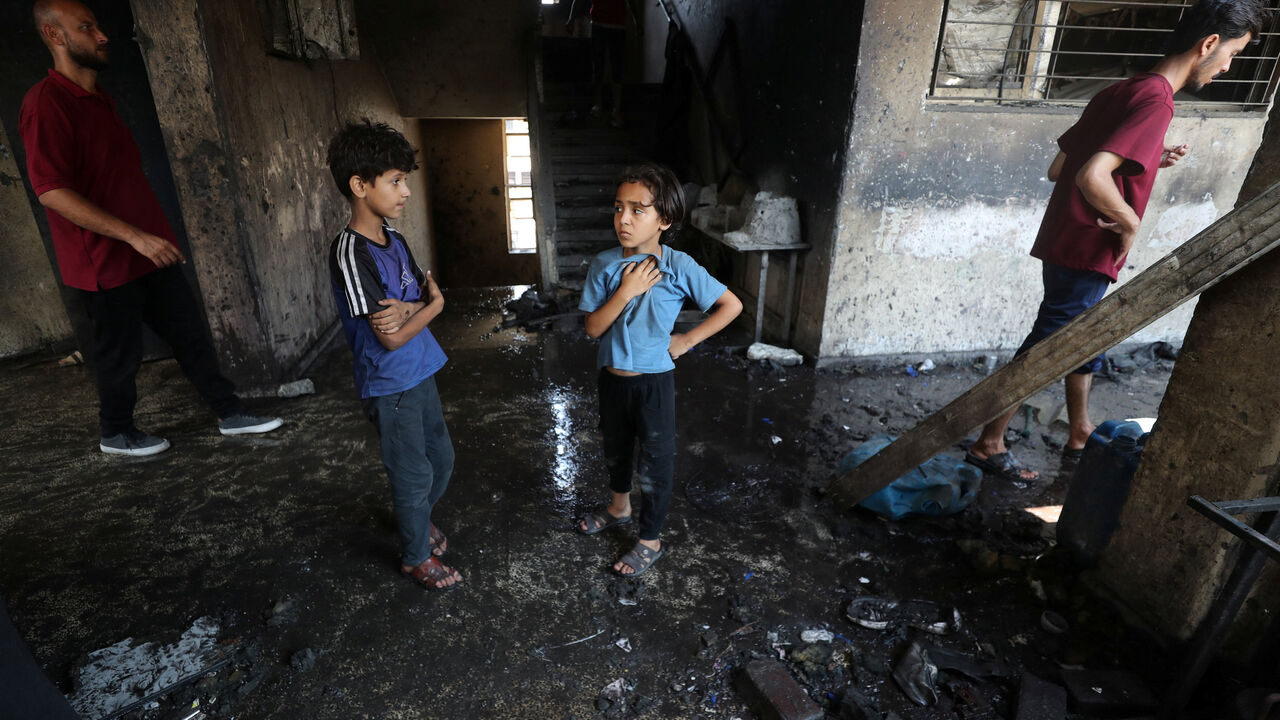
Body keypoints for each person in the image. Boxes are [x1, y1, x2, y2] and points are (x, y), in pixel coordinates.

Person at [964, 0, 1264, 483]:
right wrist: (1128, 222)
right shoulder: (1156, 100)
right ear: (1208, 44)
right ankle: (988, 443)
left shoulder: (1122, 90)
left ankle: (1080, 428)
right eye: (1232, 54)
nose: (1229, 67)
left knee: (1078, 334)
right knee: (1047, 345)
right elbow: (1088, 175)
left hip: (1067, 240)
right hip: (1089, 248)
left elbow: (1059, 166)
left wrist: (1144, 155)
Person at [19, 0, 282, 457]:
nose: (102, 35)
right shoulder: (46, 102)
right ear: (54, 36)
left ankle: (230, 412)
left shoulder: (100, 99)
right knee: (117, 358)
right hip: (103, 261)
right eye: (87, 27)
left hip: (148, 250)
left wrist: (147, 238)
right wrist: (134, 236)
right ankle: (116, 434)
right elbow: (51, 192)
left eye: (98, 25)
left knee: (190, 334)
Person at [576, 163, 742, 576]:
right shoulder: (604, 265)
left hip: (653, 383)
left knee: (655, 460)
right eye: (618, 208)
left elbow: (731, 305)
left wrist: (685, 341)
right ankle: (618, 508)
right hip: (611, 379)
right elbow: (594, 328)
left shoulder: (679, 266)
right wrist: (627, 290)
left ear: (664, 220)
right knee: (615, 449)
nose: (623, 219)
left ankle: (650, 539)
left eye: (637, 210)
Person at [326, 119, 460, 591]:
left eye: (406, 180)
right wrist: (435, 306)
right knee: (412, 472)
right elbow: (391, 338)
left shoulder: (395, 240)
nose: (405, 191)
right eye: (395, 181)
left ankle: (416, 519)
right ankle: (415, 556)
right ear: (359, 186)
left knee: (440, 461)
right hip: (391, 382)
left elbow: (410, 305)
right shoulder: (350, 253)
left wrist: (414, 307)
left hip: (422, 371)